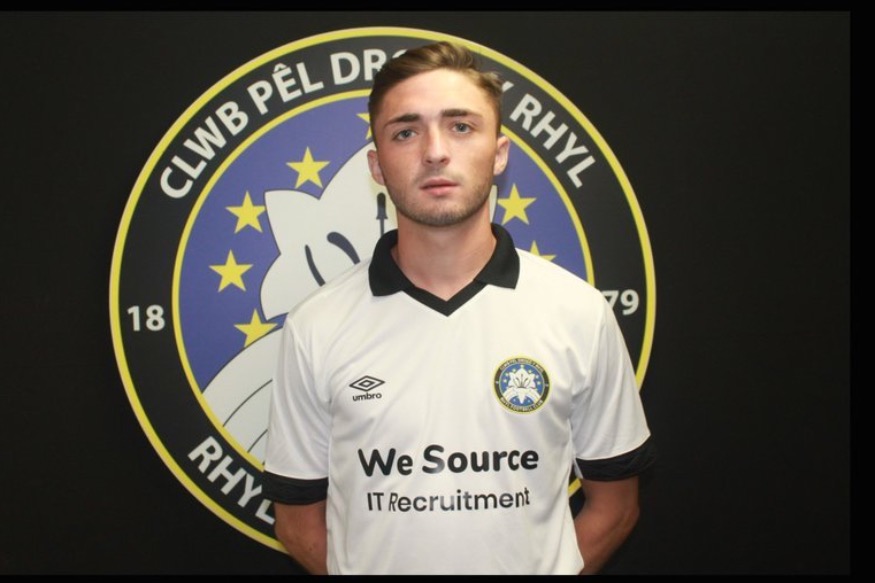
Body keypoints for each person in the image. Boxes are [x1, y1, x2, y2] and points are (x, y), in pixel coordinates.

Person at [262, 40, 656, 575]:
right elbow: (297, 521)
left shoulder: (578, 313)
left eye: (461, 126)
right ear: (377, 166)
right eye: (406, 132)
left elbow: (615, 507)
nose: (435, 152)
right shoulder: (317, 324)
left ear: (500, 153)